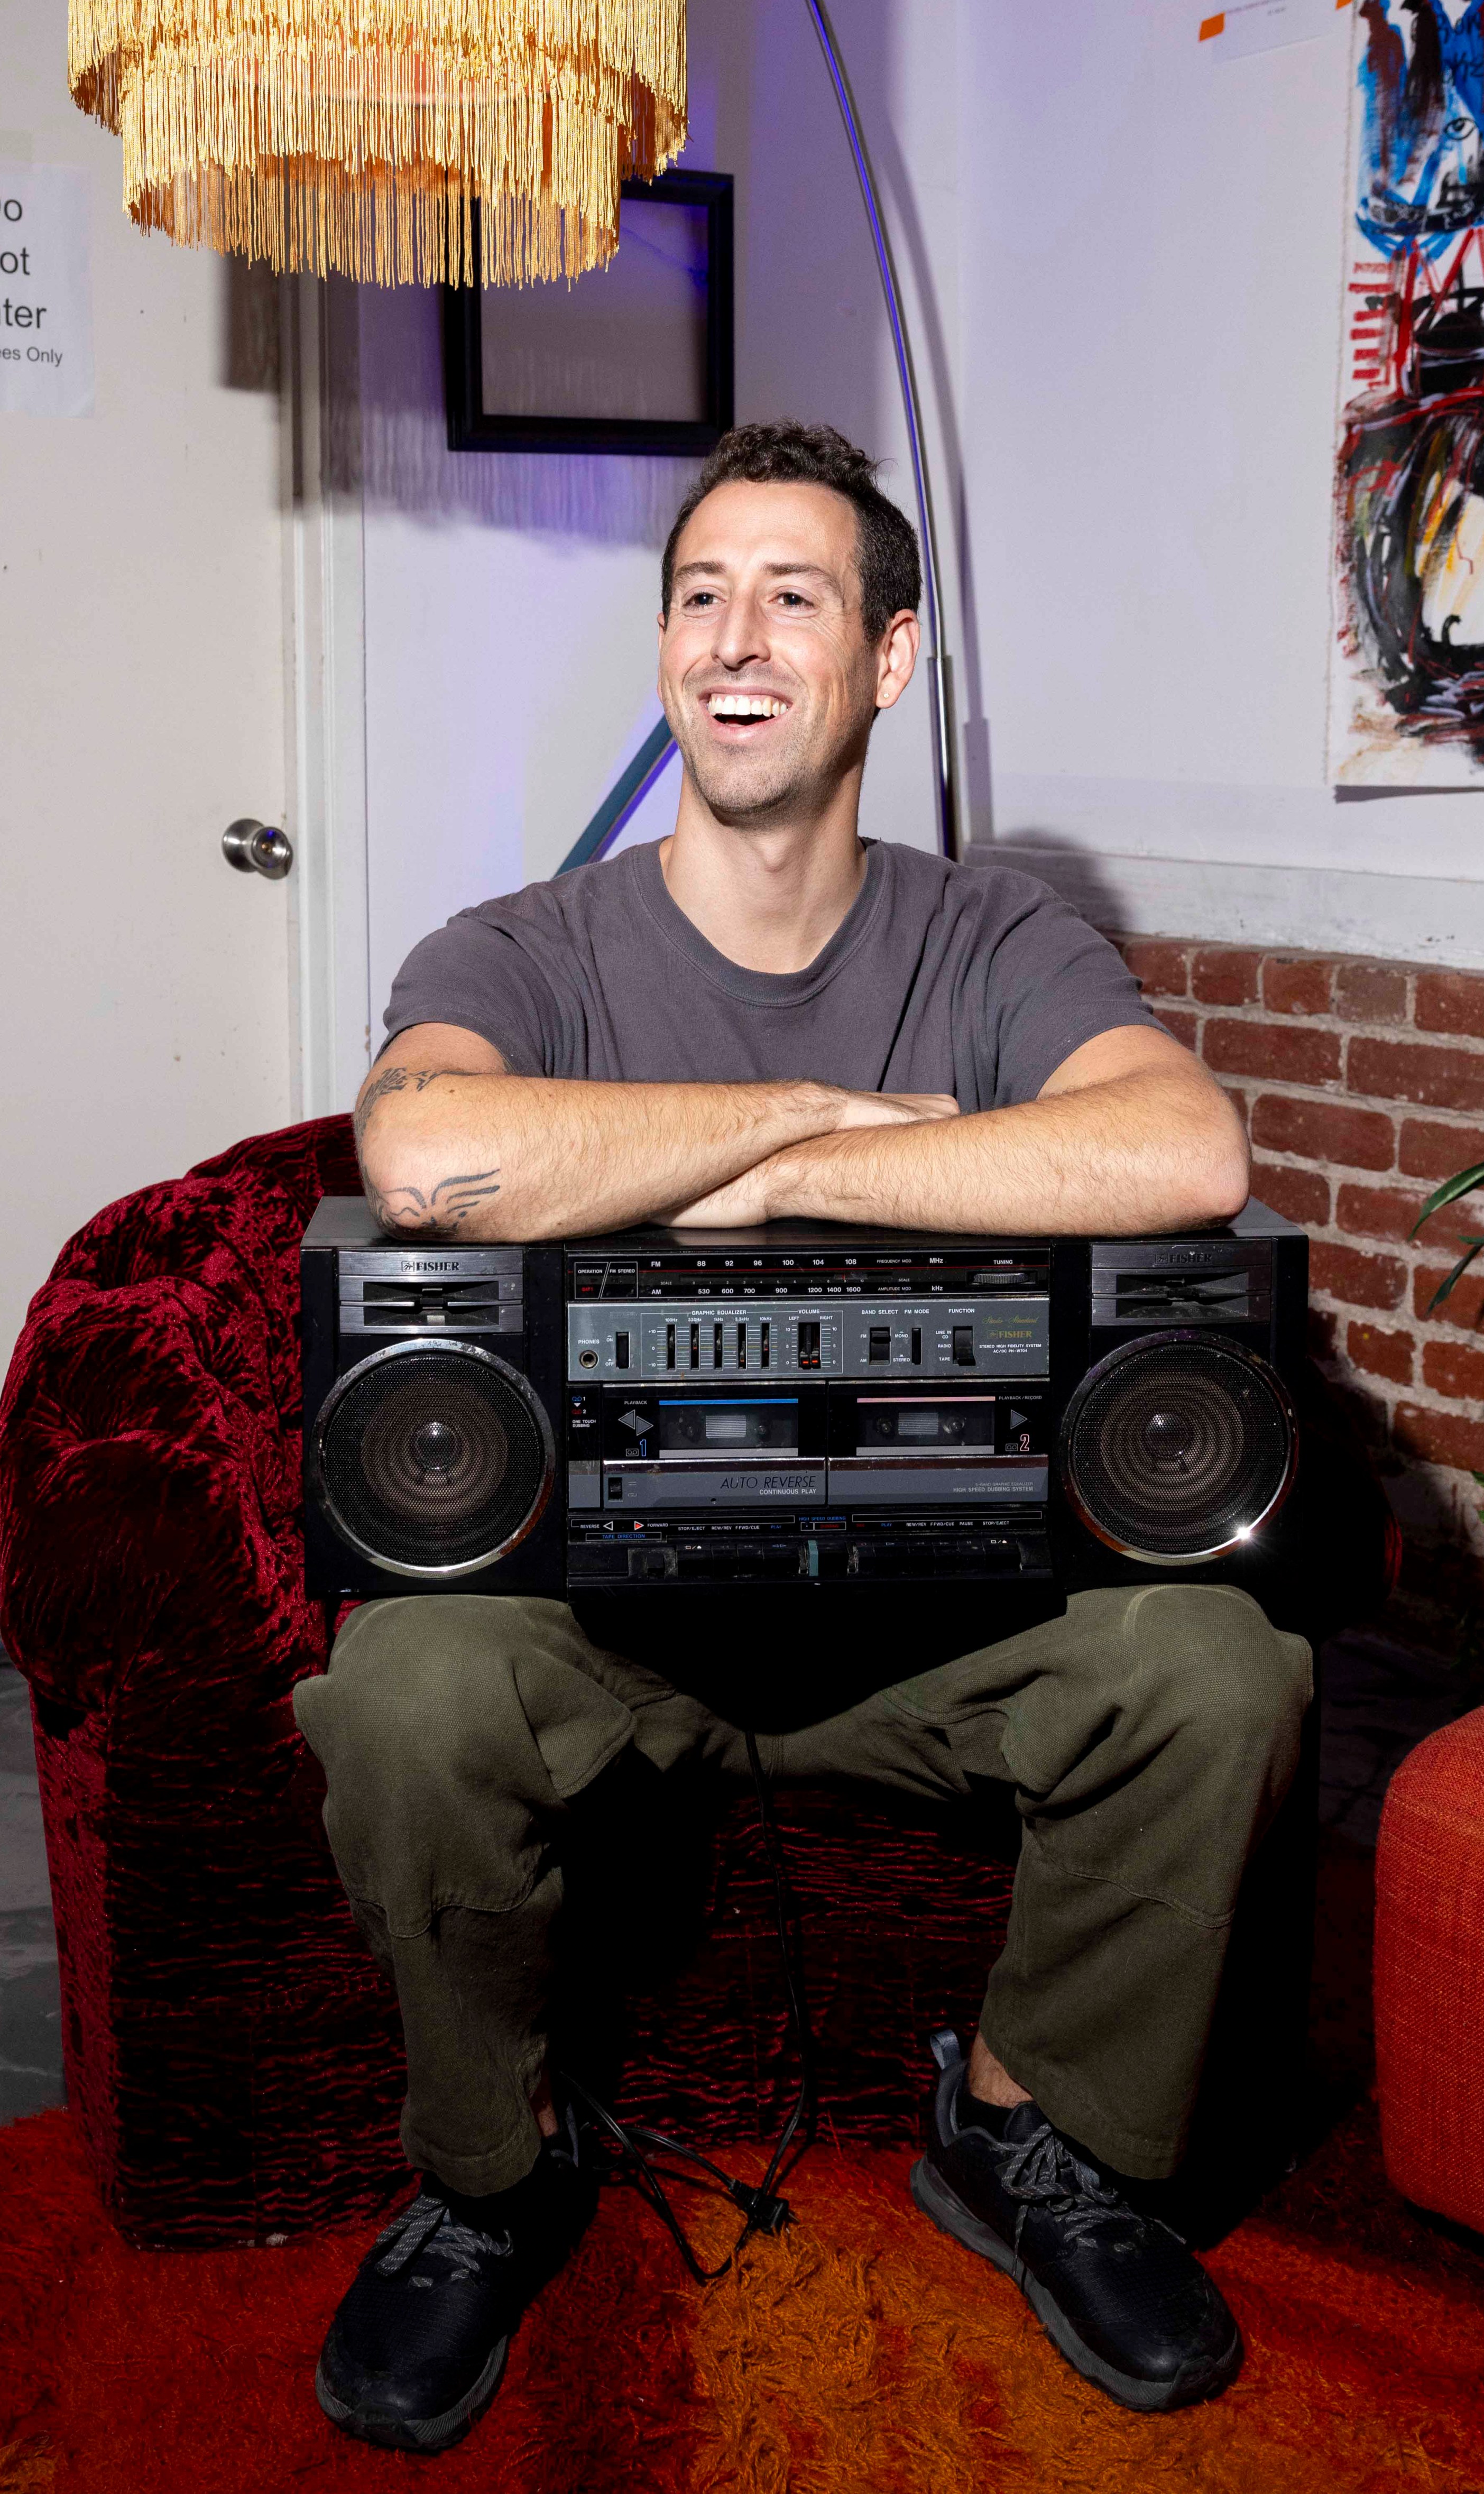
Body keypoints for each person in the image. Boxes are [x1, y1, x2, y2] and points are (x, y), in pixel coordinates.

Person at [292, 421, 1311, 2454]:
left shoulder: (993, 941)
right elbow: (422, 1153)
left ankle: (1024, 2128)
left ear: (890, 658)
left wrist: (717, 1196)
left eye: (793, 598)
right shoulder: (526, 948)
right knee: (402, 1689)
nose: (732, 643)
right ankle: (493, 2181)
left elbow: (1187, 1147)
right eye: (698, 595)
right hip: (597, 1629)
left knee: (1221, 1667)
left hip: (943, 1631)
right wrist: (812, 1126)